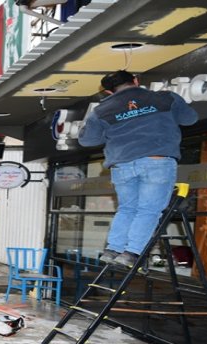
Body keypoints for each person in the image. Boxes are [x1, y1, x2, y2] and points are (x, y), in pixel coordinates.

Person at [79, 70, 198, 270]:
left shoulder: (101, 110)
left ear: (109, 91)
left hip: (122, 165)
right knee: (149, 210)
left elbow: (88, 140)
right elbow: (190, 119)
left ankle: (112, 250)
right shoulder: (165, 97)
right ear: (135, 80)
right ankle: (132, 252)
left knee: (127, 209)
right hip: (157, 161)